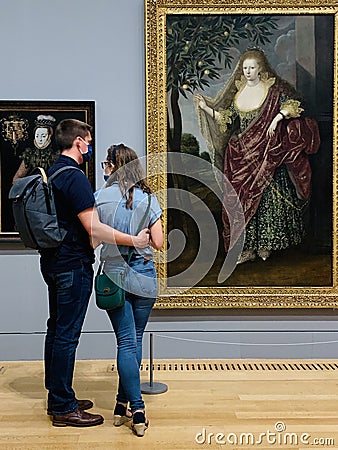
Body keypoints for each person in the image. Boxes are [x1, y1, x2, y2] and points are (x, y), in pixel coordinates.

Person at [39, 120, 150, 427]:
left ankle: (59, 395)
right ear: (77, 142)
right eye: (87, 142)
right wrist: (134, 240)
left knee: (56, 330)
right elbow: (94, 229)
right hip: (72, 265)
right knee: (67, 335)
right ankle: (63, 407)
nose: (90, 147)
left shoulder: (55, 171)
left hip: (53, 262)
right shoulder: (74, 177)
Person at [195, 47, 320, 264]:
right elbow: (226, 119)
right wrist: (206, 107)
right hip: (240, 154)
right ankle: (247, 247)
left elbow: (291, 106)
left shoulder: (272, 92)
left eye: (252, 67)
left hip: (266, 153)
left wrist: (277, 118)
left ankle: (265, 245)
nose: (249, 71)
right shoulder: (238, 94)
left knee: (267, 200)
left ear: (260, 69)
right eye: (245, 68)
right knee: (242, 200)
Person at [94, 143, 163, 437]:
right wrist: (142, 235)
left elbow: (93, 240)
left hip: (114, 276)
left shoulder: (100, 198)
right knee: (134, 341)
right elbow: (158, 243)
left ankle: (132, 406)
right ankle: (127, 405)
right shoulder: (150, 199)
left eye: (105, 165)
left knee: (126, 342)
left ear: (111, 166)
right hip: (145, 277)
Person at [12, 115, 59, 183]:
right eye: (37, 136)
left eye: (43, 136)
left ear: (49, 136)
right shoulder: (29, 154)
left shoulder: (55, 155)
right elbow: (16, 179)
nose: (39, 139)